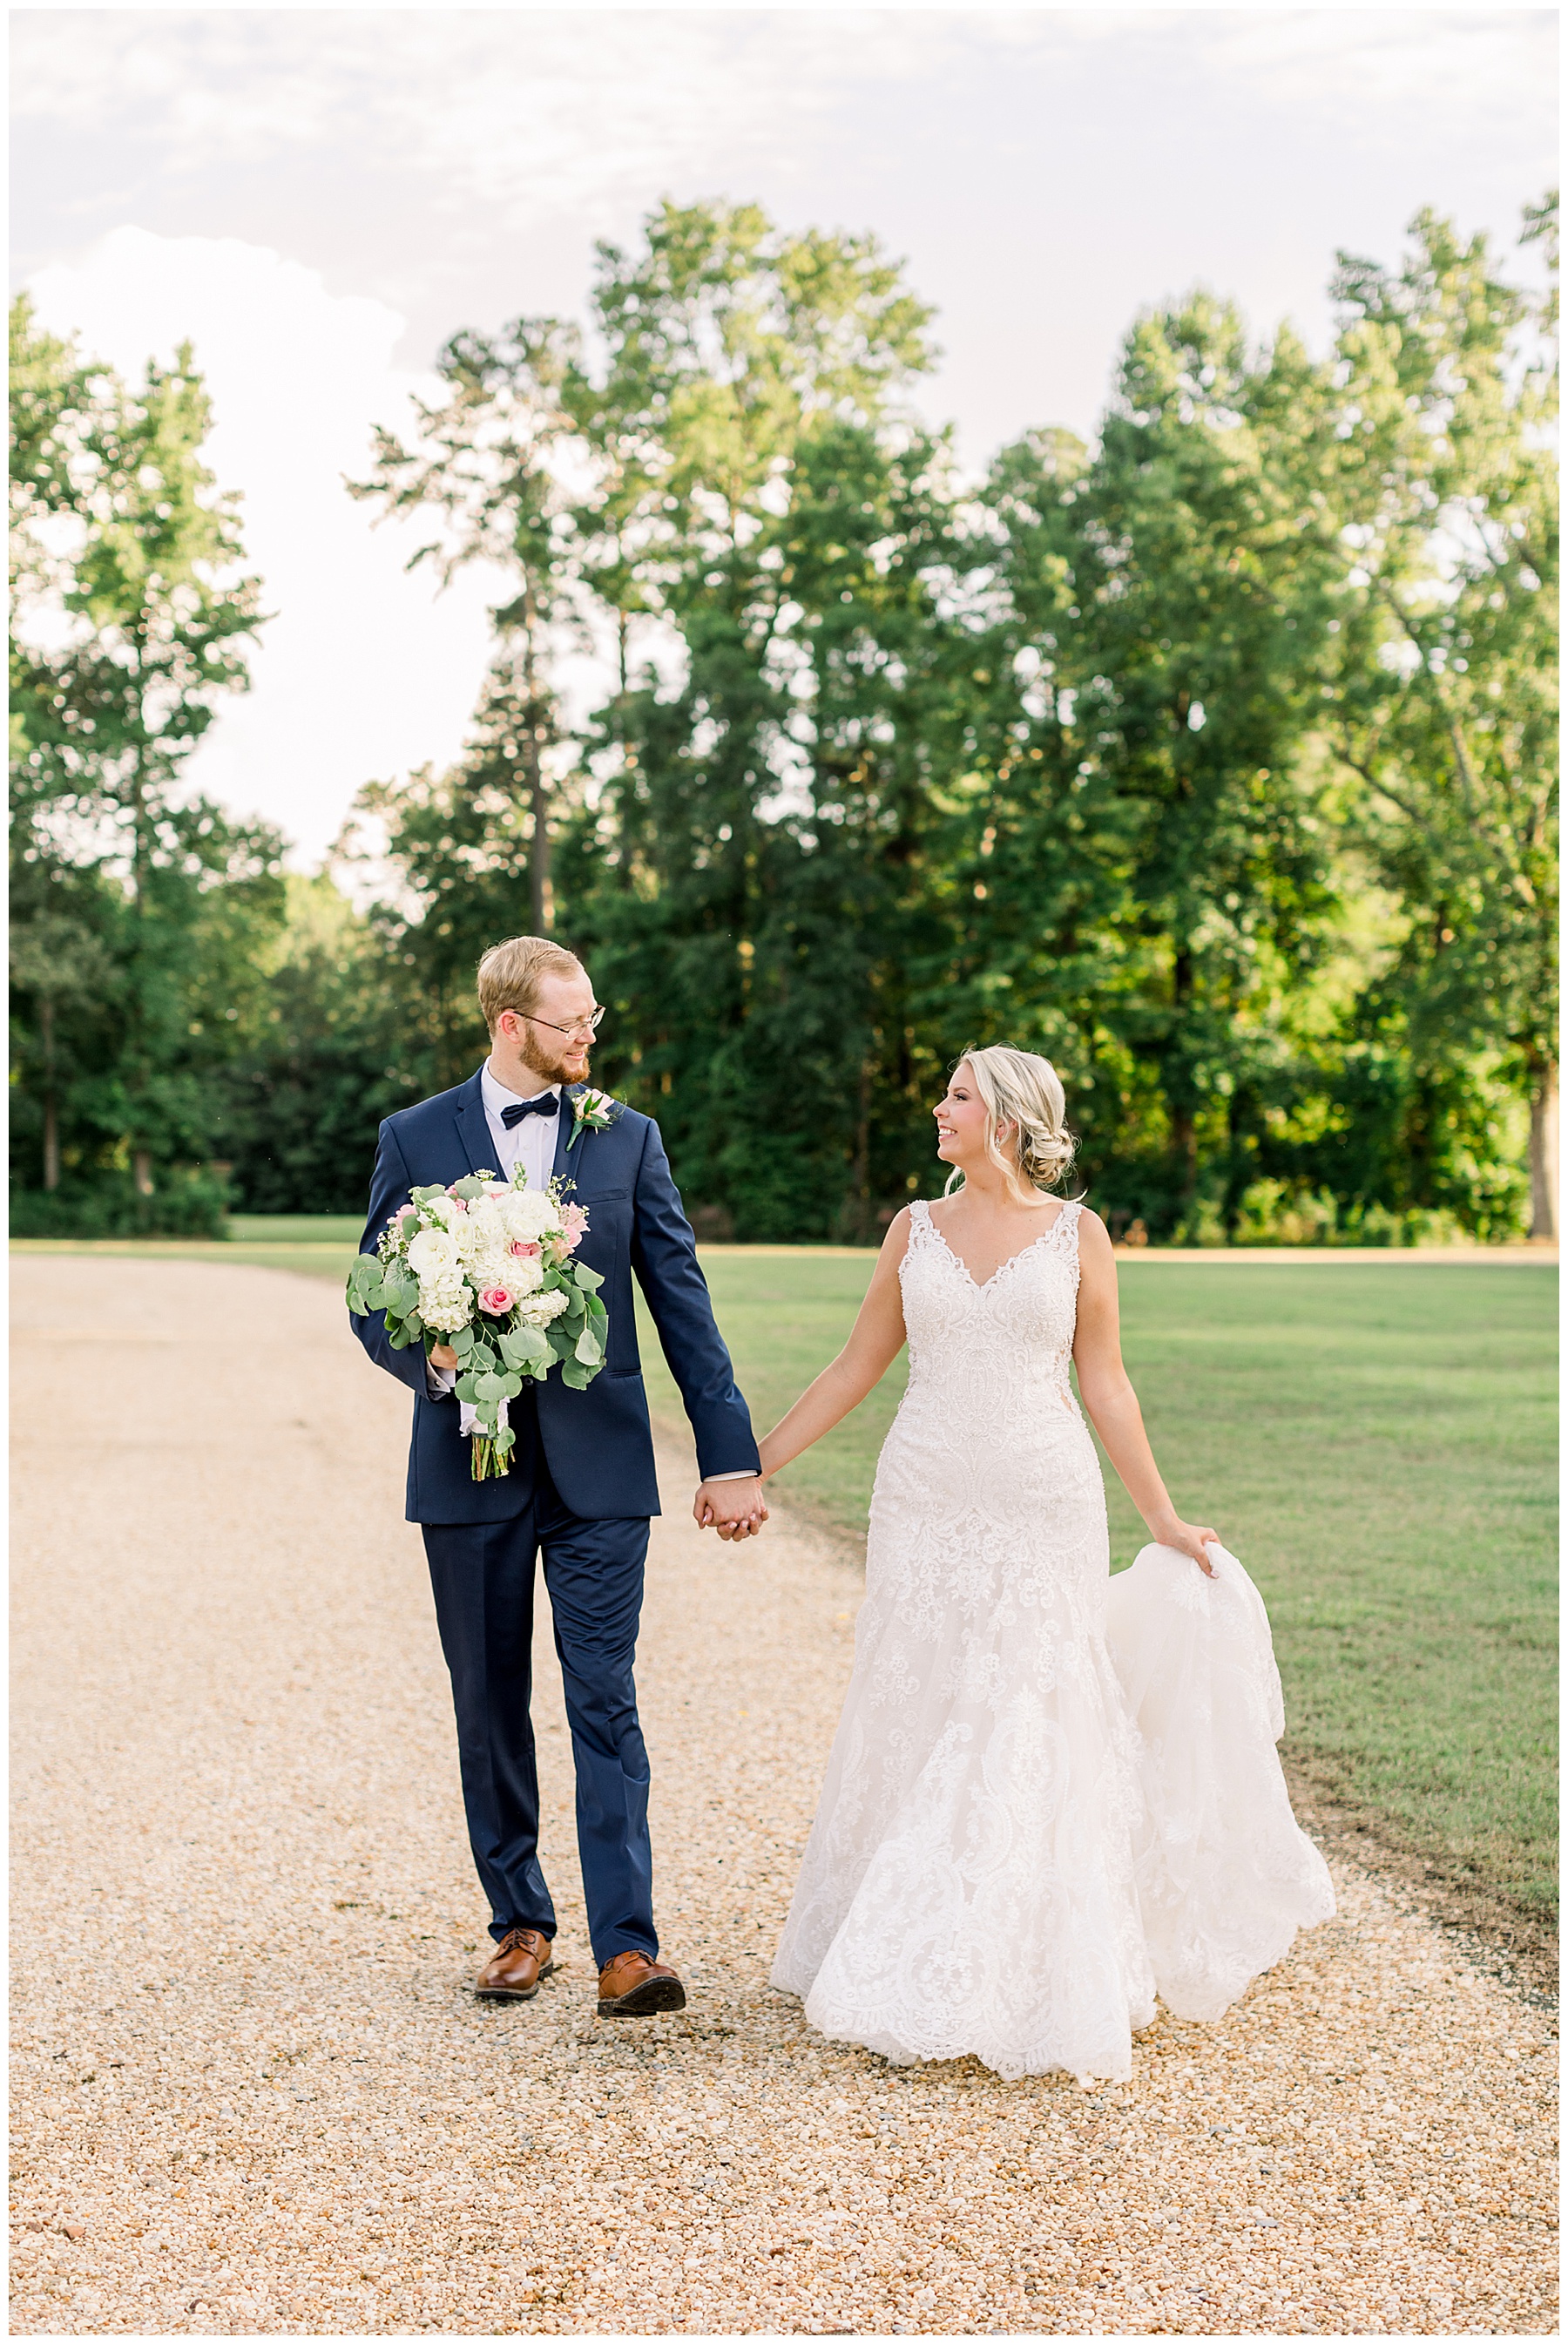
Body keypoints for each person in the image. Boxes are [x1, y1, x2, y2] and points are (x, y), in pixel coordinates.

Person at [753, 1045, 1334, 2083]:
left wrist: (1160, 1515)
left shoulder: (1079, 1235)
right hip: (924, 1495)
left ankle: (1032, 1963)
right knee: (919, 1697)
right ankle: (902, 1930)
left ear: (1008, 1120)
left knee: (1027, 1705)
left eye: (958, 1094)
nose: (939, 1106)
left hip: (1042, 1500)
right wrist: (750, 1465)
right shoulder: (911, 1228)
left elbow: (1106, 1381)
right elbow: (856, 1363)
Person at [352, 936, 767, 2018]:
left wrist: (729, 1448)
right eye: (570, 1021)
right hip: (466, 1462)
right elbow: (371, 1294)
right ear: (509, 1025)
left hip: (600, 1469)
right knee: (488, 1703)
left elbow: (680, 1293)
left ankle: (628, 1946)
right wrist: (432, 1357)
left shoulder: (626, 1136)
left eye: (592, 1018)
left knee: (604, 1697)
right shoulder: (413, 1134)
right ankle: (519, 1923)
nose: (591, 1036)